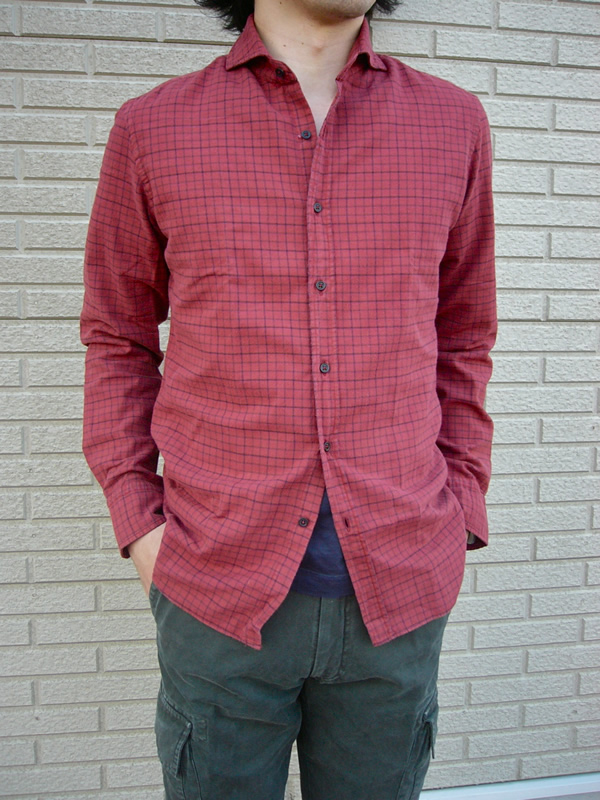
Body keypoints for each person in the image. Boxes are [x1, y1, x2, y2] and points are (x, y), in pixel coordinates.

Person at [80, 0, 496, 796]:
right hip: (214, 590)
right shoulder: (154, 127)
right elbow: (117, 338)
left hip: (401, 583)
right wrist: (140, 526)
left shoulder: (453, 123)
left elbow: (465, 336)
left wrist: (462, 508)